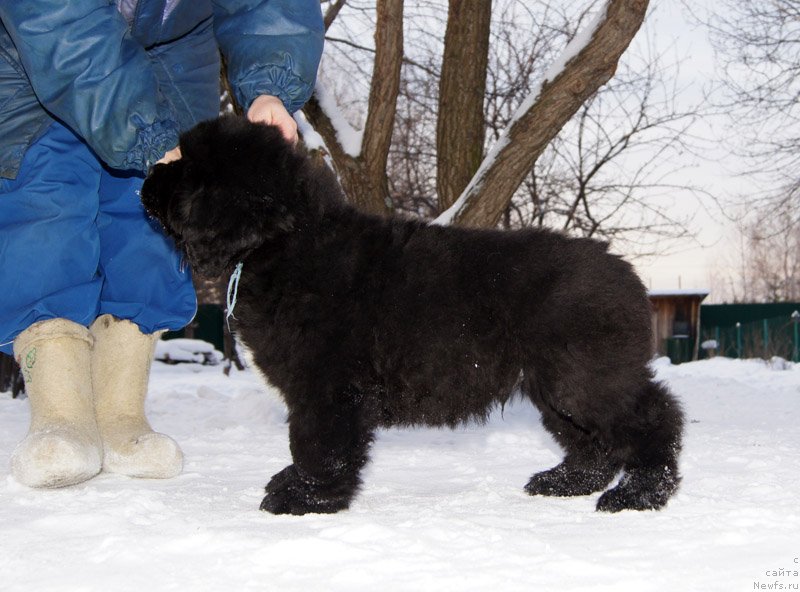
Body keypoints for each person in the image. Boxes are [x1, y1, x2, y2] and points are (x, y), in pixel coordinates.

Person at [0, 1, 324, 488]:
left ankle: (121, 415)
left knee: (150, 221)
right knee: (48, 215)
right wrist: (144, 132)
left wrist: (270, 87)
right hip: (37, 53)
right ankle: (60, 417)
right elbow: (61, 25)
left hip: (170, 58)